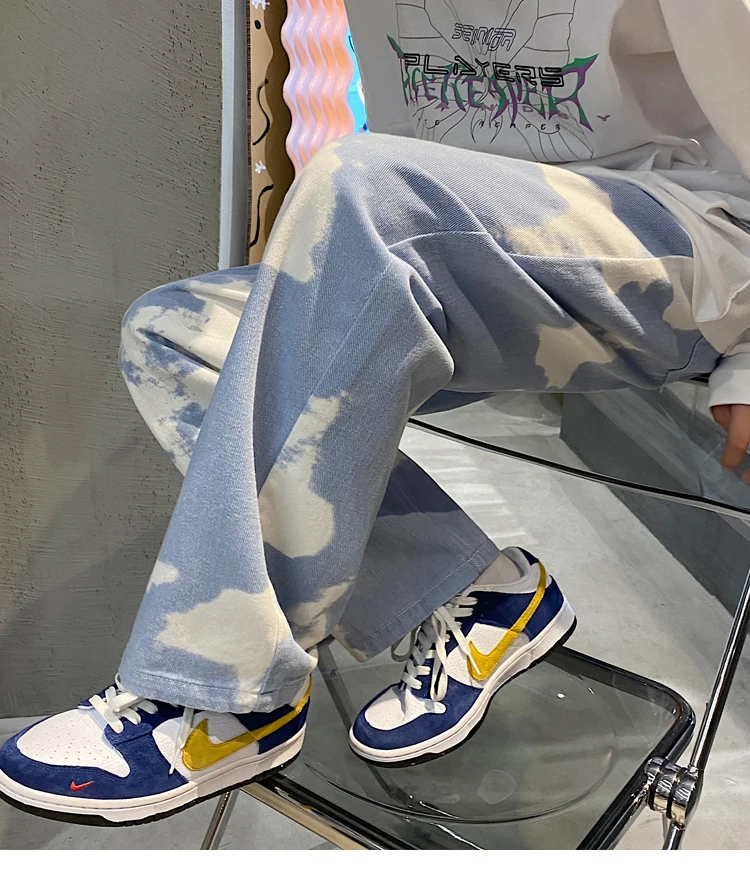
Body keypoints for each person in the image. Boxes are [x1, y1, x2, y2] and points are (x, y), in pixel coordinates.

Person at [2, 0, 750, 826]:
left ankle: (223, 690)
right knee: (175, 332)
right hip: (489, 251)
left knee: (362, 185)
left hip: (695, 247)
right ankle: (479, 591)